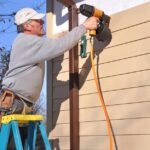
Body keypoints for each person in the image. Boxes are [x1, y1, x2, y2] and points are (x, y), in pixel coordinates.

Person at [0, 7, 99, 115]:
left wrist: (60, 40)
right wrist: (84, 26)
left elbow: (54, 46)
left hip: (19, 102)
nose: (42, 22)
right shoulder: (26, 41)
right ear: (27, 26)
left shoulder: (27, 43)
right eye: (38, 20)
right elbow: (60, 46)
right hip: (13, 102)